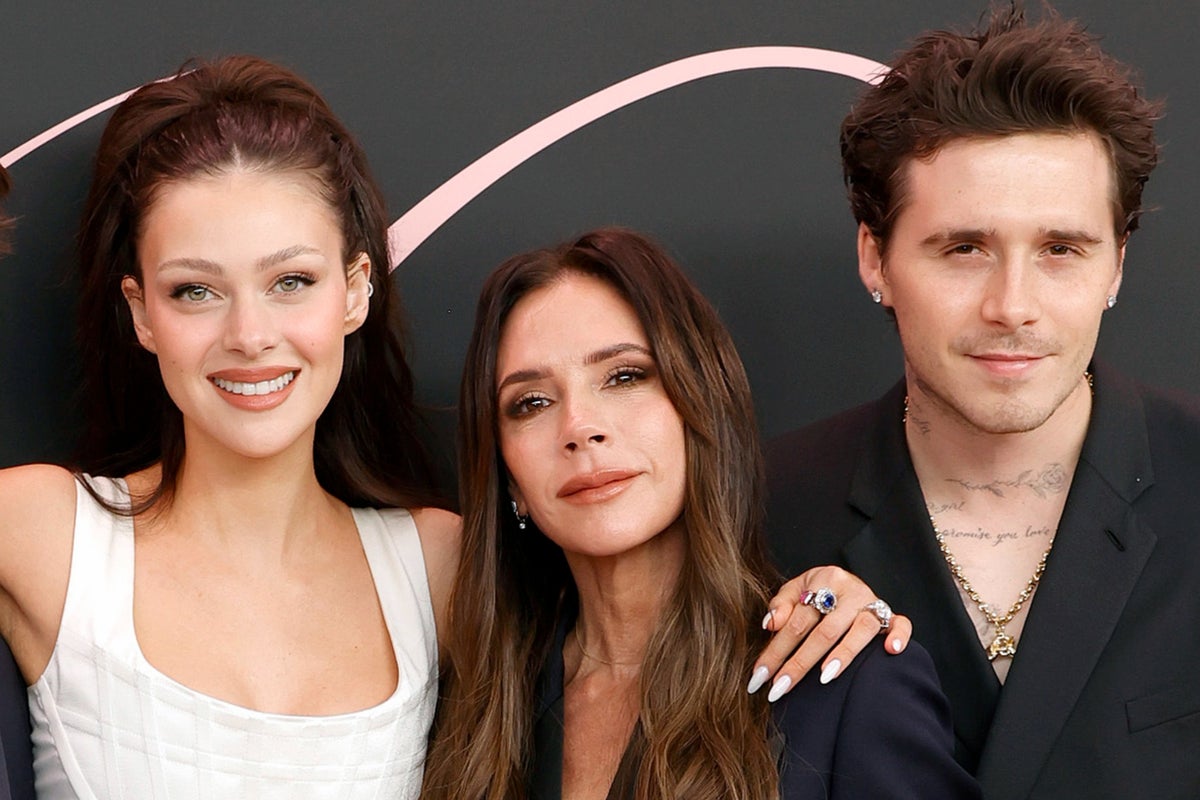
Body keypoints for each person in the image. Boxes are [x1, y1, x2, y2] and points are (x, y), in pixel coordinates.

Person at [763, 5, 1200, 798]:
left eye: (1060, 250)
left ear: (1116, 266)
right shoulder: (760, 515)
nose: (1012, 307)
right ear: (875, 258)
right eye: (965, 249)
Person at [0, 56, 460, 798]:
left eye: (291, 281)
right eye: (196, 291)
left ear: (354, 291)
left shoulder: (438, 568)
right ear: (141, 313)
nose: (249, 336)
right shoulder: (41, 531)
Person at [421, 227, 978, 799]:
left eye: (624, 376)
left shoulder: (846, 683)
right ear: (508, 475)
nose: (579, 428)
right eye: (531, 402)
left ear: (701, 406)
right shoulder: (467, 702)